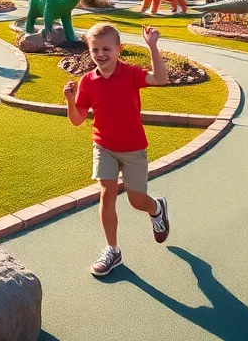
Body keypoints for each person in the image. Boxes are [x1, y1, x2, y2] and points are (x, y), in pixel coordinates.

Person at [62, 22, 170, 277]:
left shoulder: (130, 74)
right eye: (95, 49)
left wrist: (152, 46)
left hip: (133, 148)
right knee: (106, 192)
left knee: (136, 200)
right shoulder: (87, 82)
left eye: (106, 49)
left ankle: (156, 209)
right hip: (104, 145)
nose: (100, 54)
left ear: (118, 49)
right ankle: (113, 250)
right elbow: (77, 119)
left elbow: (161, 79)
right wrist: (69, 98)